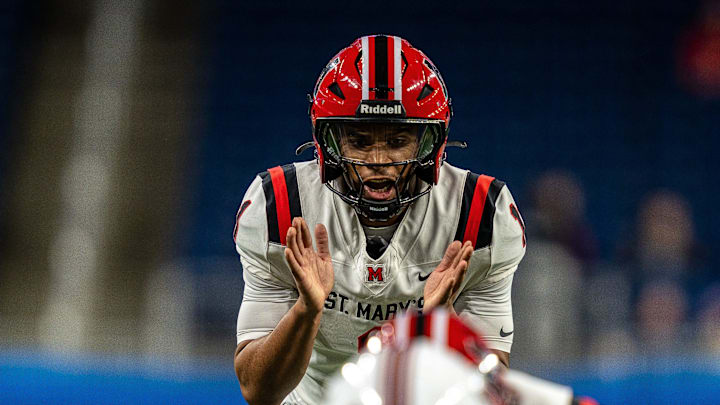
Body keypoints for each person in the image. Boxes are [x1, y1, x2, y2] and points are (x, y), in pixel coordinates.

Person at [232, 35, 527, 405]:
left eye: (397, 139)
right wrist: (306, 311)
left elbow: (489, 394)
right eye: (359, 139)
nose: (378, 160)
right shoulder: (280, 207)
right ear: (330, 141)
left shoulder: (481, 215)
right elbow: (258, 391)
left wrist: (440, 323)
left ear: (429, 142)